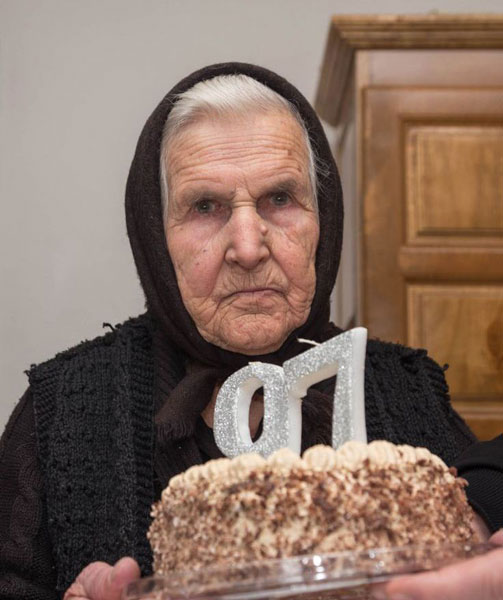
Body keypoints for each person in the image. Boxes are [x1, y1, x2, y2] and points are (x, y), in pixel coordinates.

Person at [1, 63, 502, 600]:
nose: (247, 248)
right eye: (205, 207)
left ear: (324, 220)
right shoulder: (62, 407)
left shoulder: (407, 388)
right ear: (154, 235)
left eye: (279, 199)